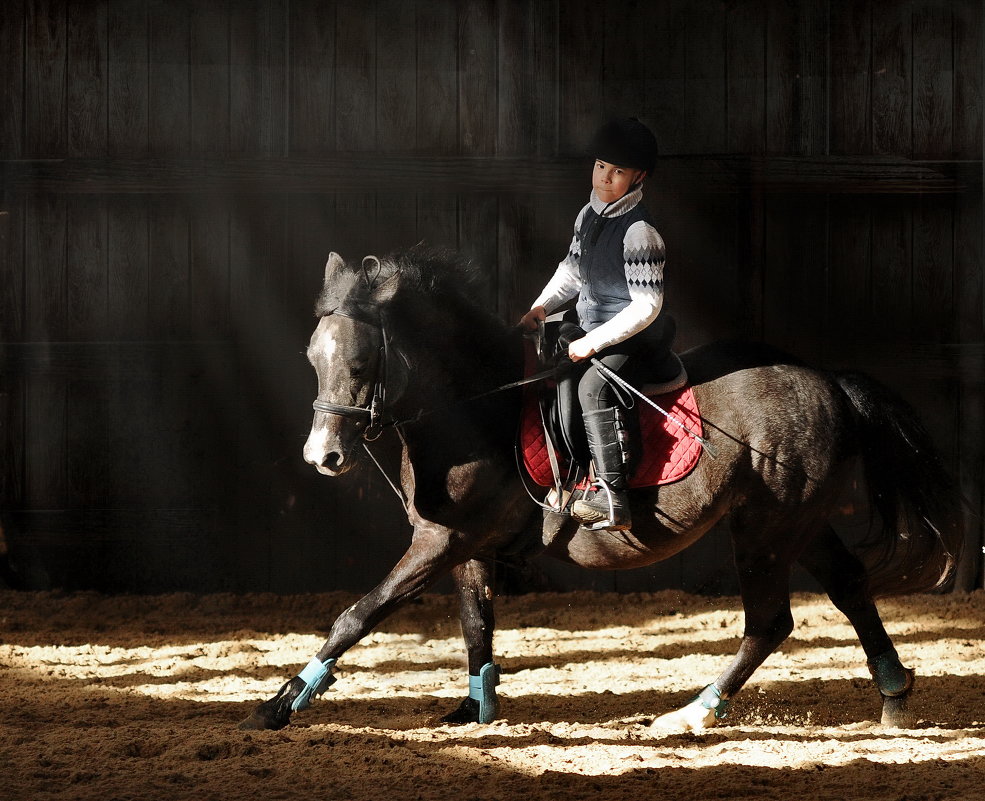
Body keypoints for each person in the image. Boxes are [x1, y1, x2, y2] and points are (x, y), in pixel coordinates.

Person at [519, 117, 674, 531]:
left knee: (594, 387)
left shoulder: (640, 231)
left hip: (633, 333)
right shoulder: (588, 214)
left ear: (638, 176)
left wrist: (594, 343)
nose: (606, 177)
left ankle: (612, 494)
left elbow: (647, 306)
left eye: (618, 171)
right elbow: (571, 271)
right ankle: (568, 475)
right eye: (602, 166)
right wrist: (541, 307)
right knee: (551, 371)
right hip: (588, 326)